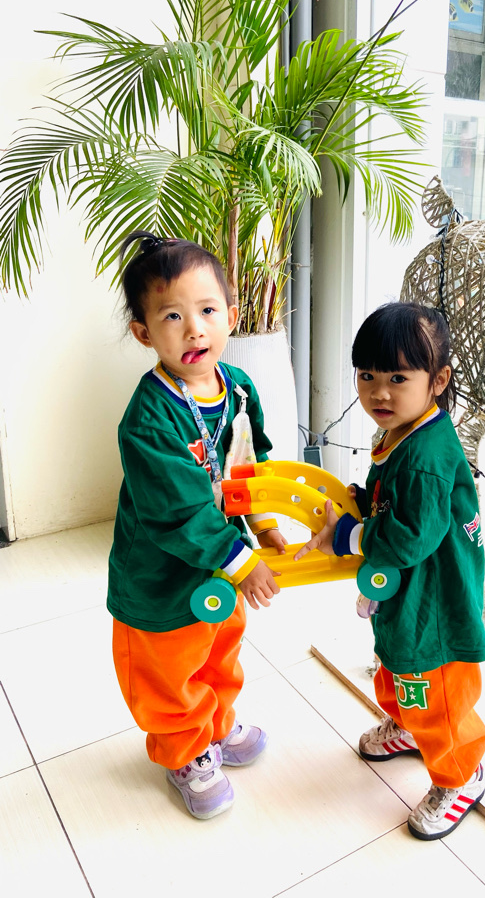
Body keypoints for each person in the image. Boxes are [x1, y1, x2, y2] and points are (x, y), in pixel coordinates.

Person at [295, 302, 485, 841]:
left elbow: (409, 535)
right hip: (409, 591)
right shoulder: (400, 431)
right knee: (398, 666)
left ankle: (461, 773)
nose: (379, 393)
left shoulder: (426, 457)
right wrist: (359, 502)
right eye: (367, 376)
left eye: (398, 379)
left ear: (438, 381)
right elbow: (391, 501)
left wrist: (350, 535)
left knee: (435, 689)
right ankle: (408, 725)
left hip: (437, 601)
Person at [107, 231, 286, 820]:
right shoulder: (149, 419)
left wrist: (262, 525)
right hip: (160, 577)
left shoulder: (239, 389)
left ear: (231, 315)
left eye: (207, 311)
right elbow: (177, 511)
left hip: (221, 564)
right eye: (172, 316)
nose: (193, 330)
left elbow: (247, 466)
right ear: (144, 333)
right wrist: (243, 560)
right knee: (170, 667)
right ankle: (185, 751)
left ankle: (218, 724)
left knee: (221, 646)